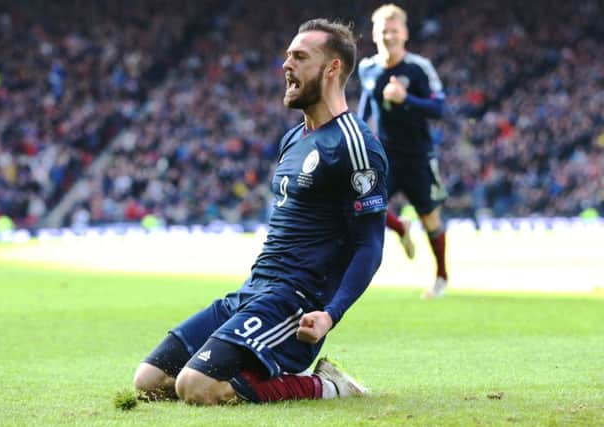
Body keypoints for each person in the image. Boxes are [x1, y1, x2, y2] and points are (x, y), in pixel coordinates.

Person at [133, 18, 389, 406]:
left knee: (196, 387)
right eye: (287, 56)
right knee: (149, 380)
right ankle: (254, 372)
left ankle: (328, 385)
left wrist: (330, 314)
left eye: (300, 57)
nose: (286, 65)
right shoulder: (294, 139)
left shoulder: (355, 146)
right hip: (253, 291)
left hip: (294, 301)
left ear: (332, 68)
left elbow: (369, 245)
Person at [357, 3, 449, 298]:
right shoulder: (367, 68)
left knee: (430, 219)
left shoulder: (418, 68)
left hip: (419, 156)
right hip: (384, 156)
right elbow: (366, 108)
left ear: (405, 33)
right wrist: (357, 134)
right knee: (364, 206)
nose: (389, 36)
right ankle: (399, 227)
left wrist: (405, 98)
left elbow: (439, 108)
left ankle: (441, 276)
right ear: (374, 34)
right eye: (384, 31)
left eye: (394, 31)